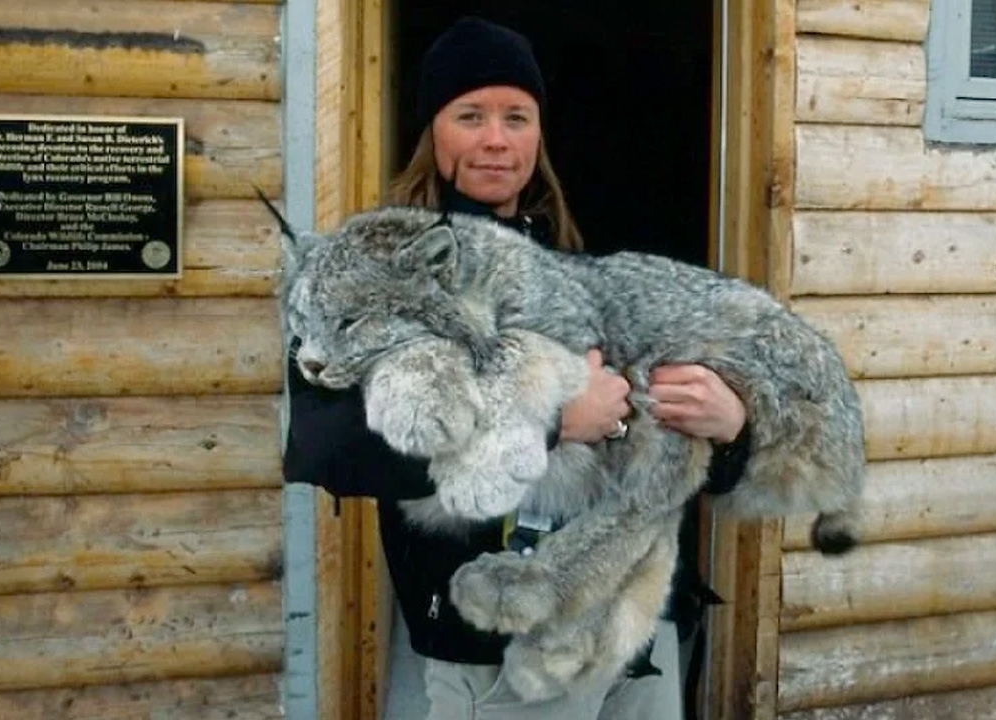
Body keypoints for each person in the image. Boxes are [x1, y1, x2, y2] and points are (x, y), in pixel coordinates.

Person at [284, 16, 751, 719]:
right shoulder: (370, 276)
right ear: (432, 132)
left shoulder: (579, 267)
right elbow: (329, 447)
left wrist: (730, 428)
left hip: (632, 629)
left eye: (517, 117)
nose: (496, 139)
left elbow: (656, 438)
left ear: (539, 134)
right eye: (469, 115)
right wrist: (554, 423)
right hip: (497, 643)